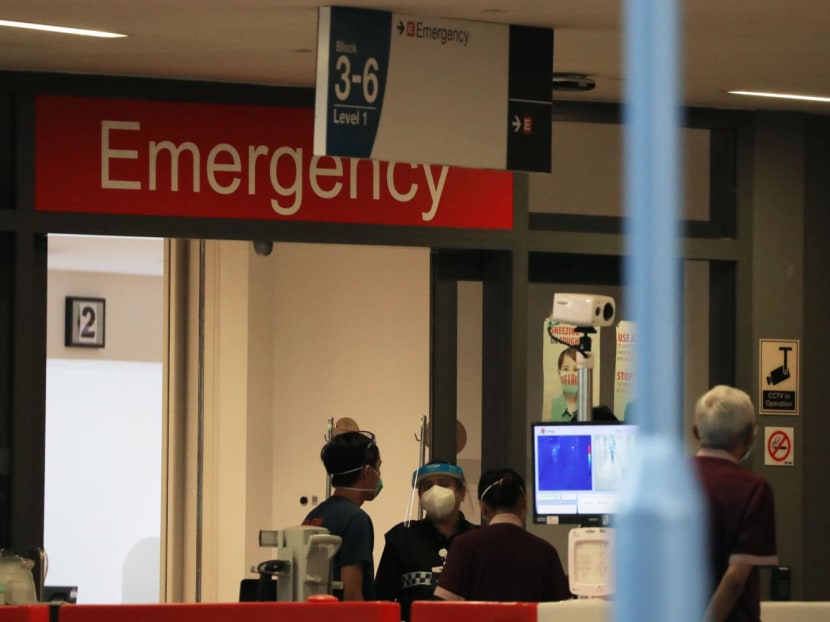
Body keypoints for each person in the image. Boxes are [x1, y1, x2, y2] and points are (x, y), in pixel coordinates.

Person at [692, 385, 778, 622]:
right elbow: (736, 578)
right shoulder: (754, 489)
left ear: (696, 432)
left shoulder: (670, 478)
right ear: (750, 436)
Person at [434, 468, 571, 602]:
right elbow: (562, 611)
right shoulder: (545, 551)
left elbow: (444, 610)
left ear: (483, 507)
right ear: (524, 502)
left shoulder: (464, 546)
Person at [375, 462, 477, 621]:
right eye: (427, 486)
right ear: (420, 495)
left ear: (462, 492)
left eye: (443, 484)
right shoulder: (401, 539)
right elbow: (381, 601)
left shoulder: (478, 540)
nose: (435, 491)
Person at [302, 430, 383, 601]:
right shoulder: (356, 520)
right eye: (379, 467)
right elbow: (352, 594)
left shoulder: (313, 516)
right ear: (367, 472)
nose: (380, 476)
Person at [551, 346, 580, 421]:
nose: (571, 374)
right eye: (566, 369)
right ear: (559, 372)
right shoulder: (551, 406)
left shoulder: (588, 407)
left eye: (576, 369)